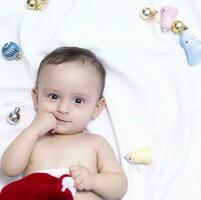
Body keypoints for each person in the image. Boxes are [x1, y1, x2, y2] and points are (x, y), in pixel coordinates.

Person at [0, 47, 128, 200]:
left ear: (96, 108)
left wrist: (93, 181)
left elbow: (119, 187)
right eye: (53, 96)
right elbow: (9, 168)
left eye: (78, 100)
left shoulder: (96, 143)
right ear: (36, 98)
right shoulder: (34, 139)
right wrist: (34, 130)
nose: (63, 108)